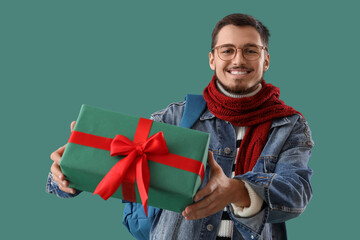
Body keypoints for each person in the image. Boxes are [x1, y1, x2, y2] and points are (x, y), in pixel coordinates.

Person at [47, 13, 314, 240]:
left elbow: (296, 192)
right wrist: (68, 168)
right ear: (212, 59)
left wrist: (236, 190)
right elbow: (120, 162)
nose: (238, 60)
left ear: (266, 60)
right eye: (227, 50)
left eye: (251, 50)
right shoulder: (174, 117)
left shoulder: (289, 125)